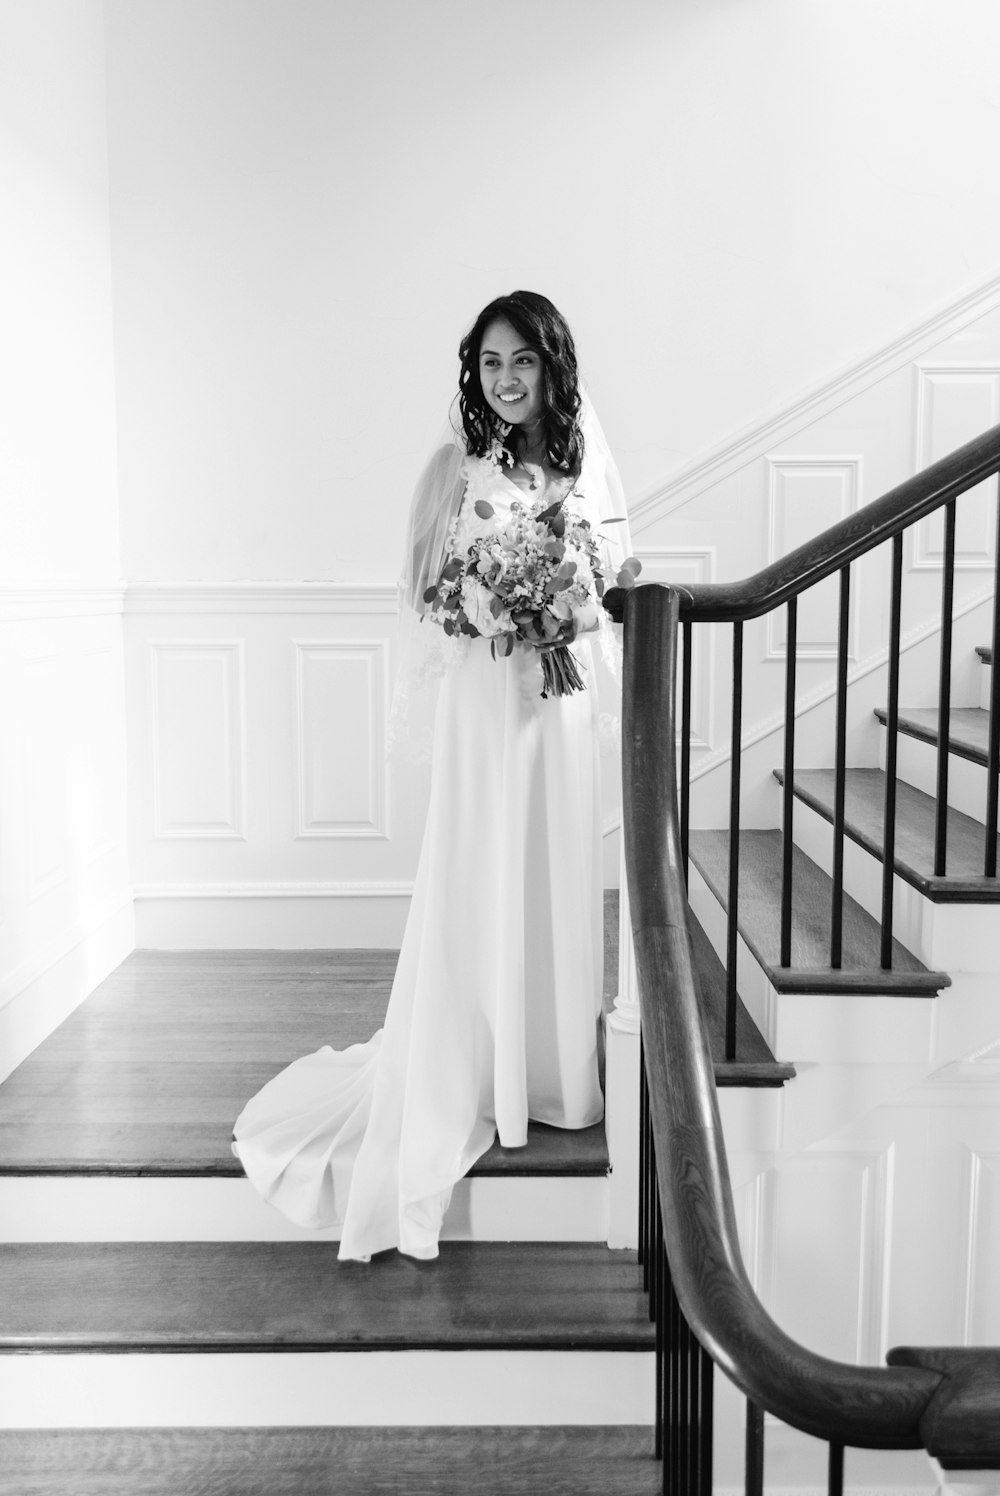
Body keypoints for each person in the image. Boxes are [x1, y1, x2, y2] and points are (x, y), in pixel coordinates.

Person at [232, 290, 629, 1262]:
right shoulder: (454, 465)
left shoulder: (581, 463)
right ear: (474, 370)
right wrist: (500, 607)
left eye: (523, 362)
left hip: (557, 707)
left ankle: (554, 1073)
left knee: (555, 869)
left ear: (551, 368)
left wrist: (560, 608)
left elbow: (615, 568)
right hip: (487, 703)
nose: (506, 380)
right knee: (484, 865)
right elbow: (423, 589)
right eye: (491, 362)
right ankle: (481, 1071)